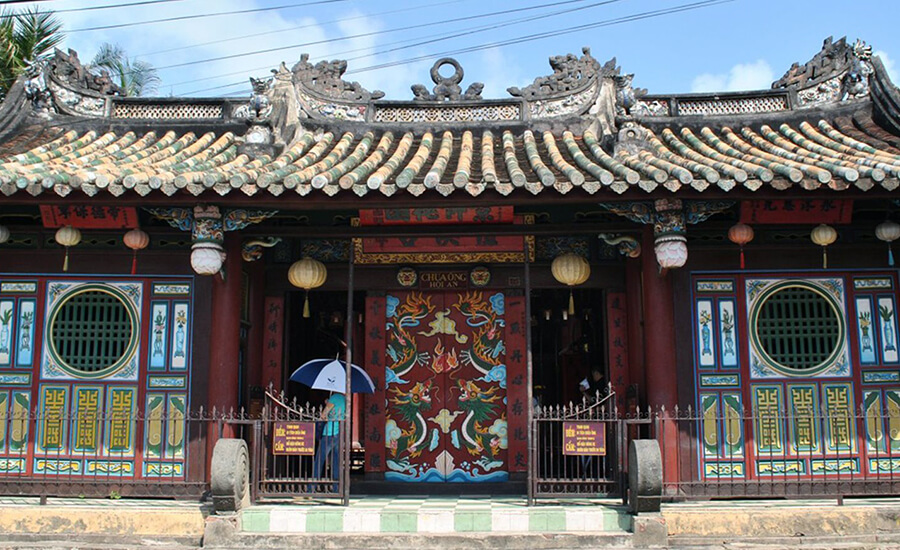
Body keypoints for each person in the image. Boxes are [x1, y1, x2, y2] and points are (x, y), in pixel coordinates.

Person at [313, 392, 345, 492]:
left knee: (319, 460)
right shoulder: (345, 399)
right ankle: (336, 488)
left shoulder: (334, 397)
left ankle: (312, 487)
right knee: (336, 462)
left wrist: (327, 404)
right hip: (339, 433)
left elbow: (323, 415)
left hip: (329, 432)